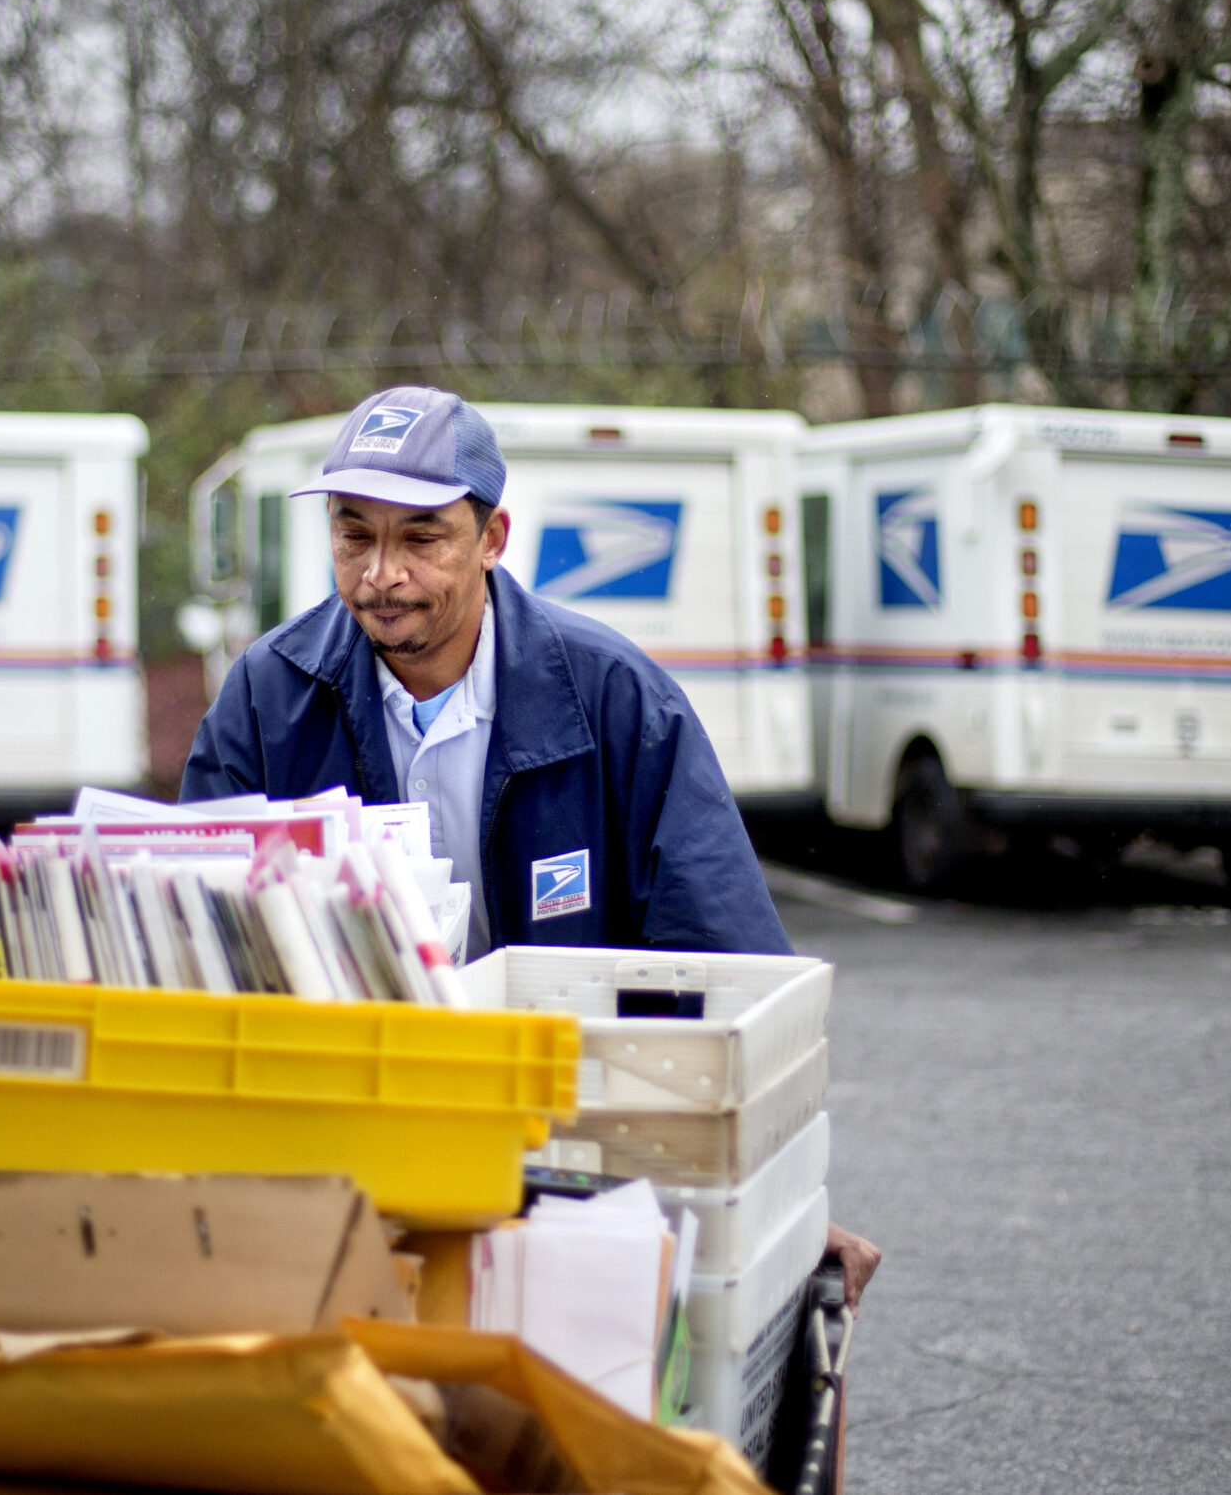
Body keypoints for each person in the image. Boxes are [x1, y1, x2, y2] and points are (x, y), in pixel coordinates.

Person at [182, 385, 879, 1304]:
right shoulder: (268, 697)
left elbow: (725, 962)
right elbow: (193, 945)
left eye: (422, 538)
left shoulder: (615, 698)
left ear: (493, 538)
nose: (381, 575)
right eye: (354, 536)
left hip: (566, 1141)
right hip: (341, 1138)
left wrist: (774, 1193)